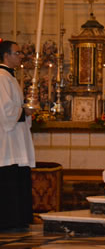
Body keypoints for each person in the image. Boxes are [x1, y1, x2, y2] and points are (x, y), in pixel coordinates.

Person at [0, 40, 35, 230]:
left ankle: (19, 219)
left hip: (15, 137)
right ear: (6, 55)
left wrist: (25, 110)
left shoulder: (10, 77)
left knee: (18, 175)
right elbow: (4, 110)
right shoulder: (1, 77)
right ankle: (8, 221)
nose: (20, 56)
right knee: (8, 178)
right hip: (6, 139)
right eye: (17, 53)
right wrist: (24, 112)